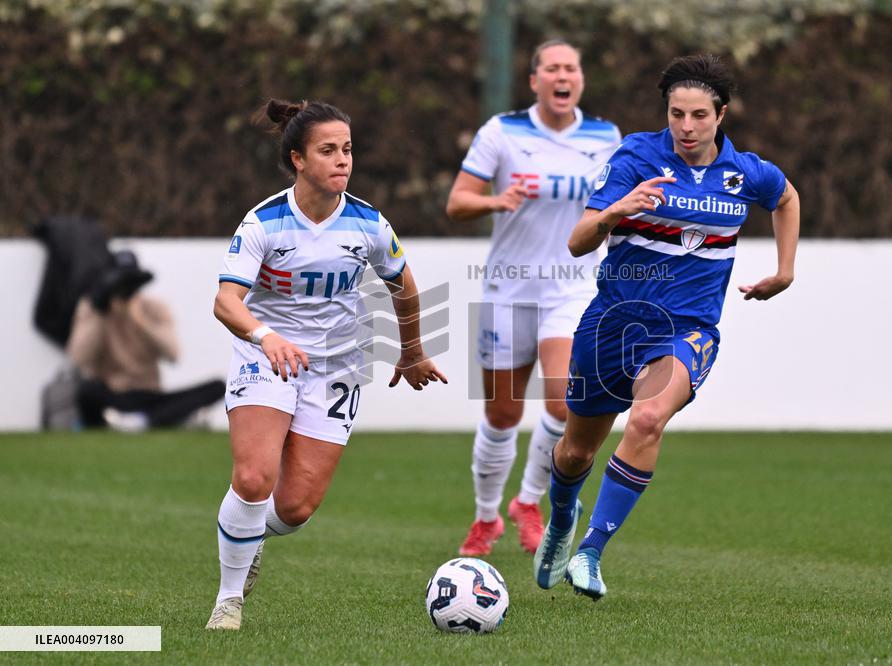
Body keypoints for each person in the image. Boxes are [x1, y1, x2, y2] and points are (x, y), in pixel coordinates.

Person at [532, 54, 801, 599]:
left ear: (720, 115)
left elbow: (786, 196)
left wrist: (785, 271)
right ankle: (561, 517)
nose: (686, 126)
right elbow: (578, 241)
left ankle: (590, 551)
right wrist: (617, 210)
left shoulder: (745, 172)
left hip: (687, 328)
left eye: (699, 115)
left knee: (649, 417)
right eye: (677, 114)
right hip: (613, 323)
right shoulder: (636, 156)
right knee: (576, 452)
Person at [207, 99, 447, 630]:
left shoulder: (369, 224)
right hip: (266, 357)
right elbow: (226, 302)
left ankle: (248, 534)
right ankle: (228, 601)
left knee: (295, 508)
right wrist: (265, 336)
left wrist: (411, 351)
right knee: (254, 477)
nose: (342, 160)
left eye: (348, 149)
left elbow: (404, 287)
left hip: (336, 367)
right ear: (297, 159)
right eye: (328, 150)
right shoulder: (264, 221)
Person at [445, 40, 621, 556]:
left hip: (573, 288)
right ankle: (486, 517)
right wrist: (495, 201)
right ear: (534, 80)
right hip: (509, 289)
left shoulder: (606, 137)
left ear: (580, 79)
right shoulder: (502, 131)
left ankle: (528, 502)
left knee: (564, 404)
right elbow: (457, 203)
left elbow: (618, 205)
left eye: (572, 68)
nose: (563, 76)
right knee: (502, 414)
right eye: (552, 68)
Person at [67, 250, 225, 431]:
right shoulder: (92, 310)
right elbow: (77, 359)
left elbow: (173, 354)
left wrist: (139, 320)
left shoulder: (154, 307)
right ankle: (155, 420)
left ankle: (141, 421)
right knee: (86, 392)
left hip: (149, 396)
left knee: (218, 387)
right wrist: (100, 314)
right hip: (112, 395)